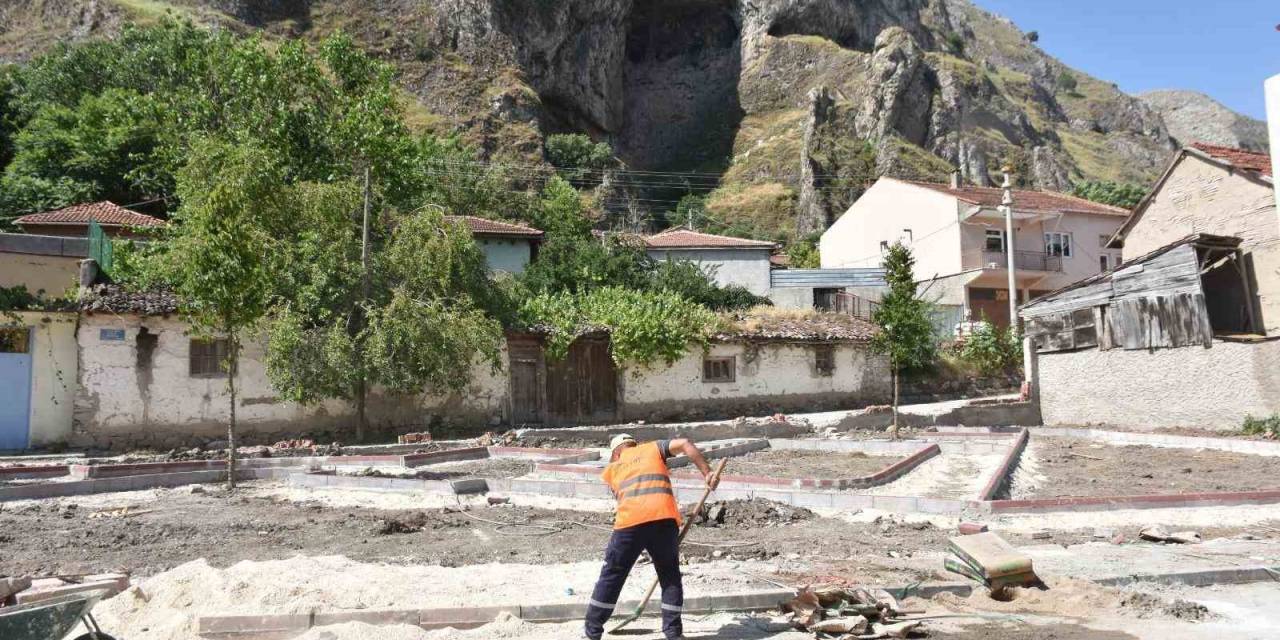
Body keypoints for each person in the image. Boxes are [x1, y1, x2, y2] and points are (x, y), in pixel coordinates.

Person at [582, 434, 719, 640]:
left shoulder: (611, 469)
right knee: (669, 574)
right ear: (633, 445)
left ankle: (592, 633)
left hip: (630, 524)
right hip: (664, 520)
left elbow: (621, 495)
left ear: (616, 452)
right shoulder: (652, 449)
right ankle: (673, 633)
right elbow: (684, 443)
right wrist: (707, 473)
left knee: (612, 575)